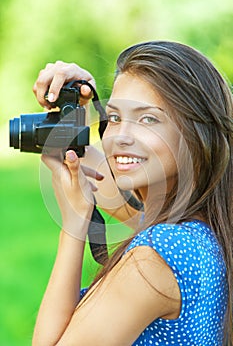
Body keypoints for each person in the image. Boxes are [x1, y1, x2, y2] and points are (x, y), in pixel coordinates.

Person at [32, 41, 233, 345]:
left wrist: (74, 224)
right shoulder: (199, 230)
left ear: (195, 136)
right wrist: (75, 110)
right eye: (114, 118)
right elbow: (105, 178)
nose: (121, 137)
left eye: (148, 119)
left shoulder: (156, 256)